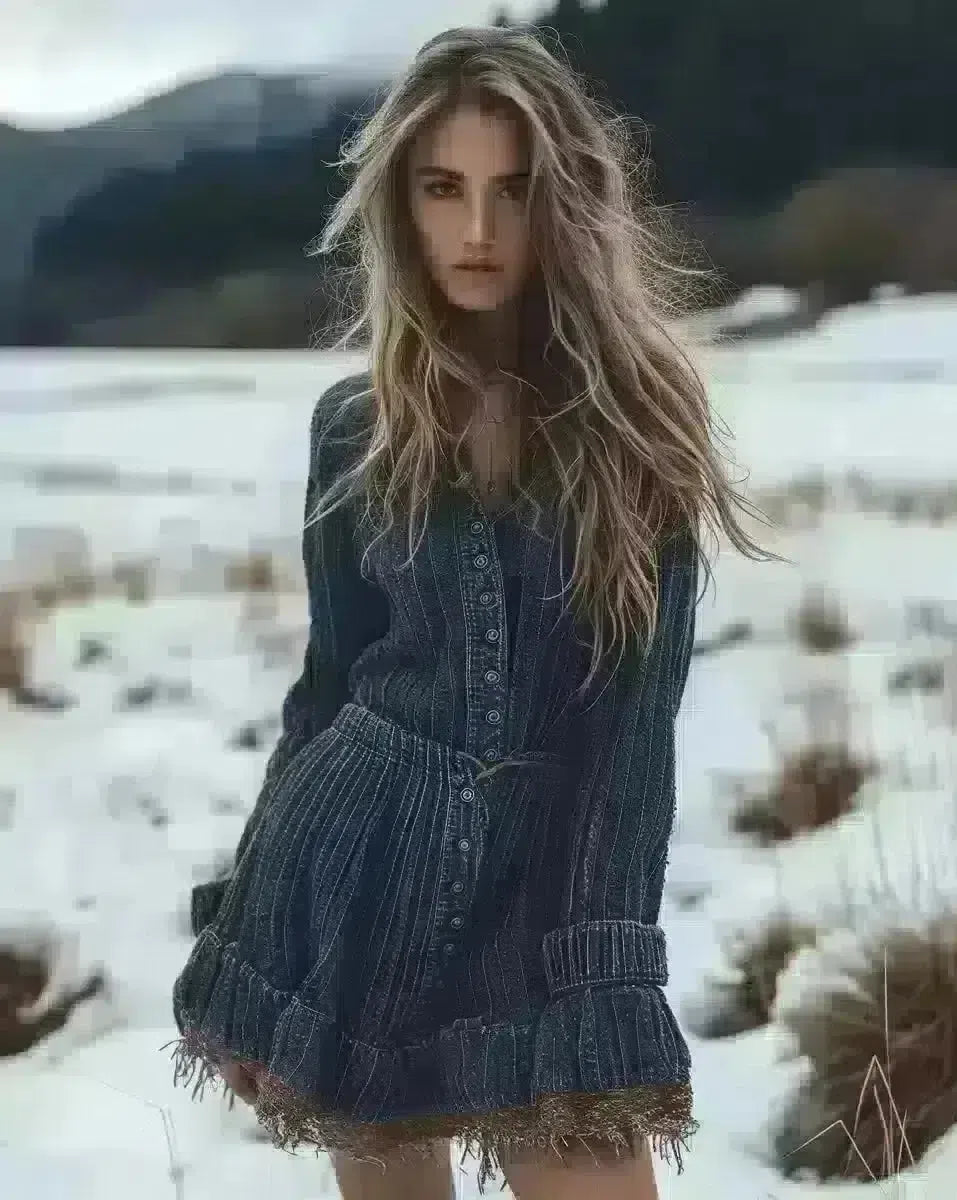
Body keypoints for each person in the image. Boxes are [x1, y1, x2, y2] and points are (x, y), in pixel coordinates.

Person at [167, 24, 775, 1200]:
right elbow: (330, 686)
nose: (480, 231)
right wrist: (249, 925)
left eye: (515, 191)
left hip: (542, 906)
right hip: (355, 880)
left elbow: (631, 739)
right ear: (402, 205)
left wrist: (603, 974)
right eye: (444, 189)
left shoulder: (642, 425)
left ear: (569, 206)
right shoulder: (357, 425)